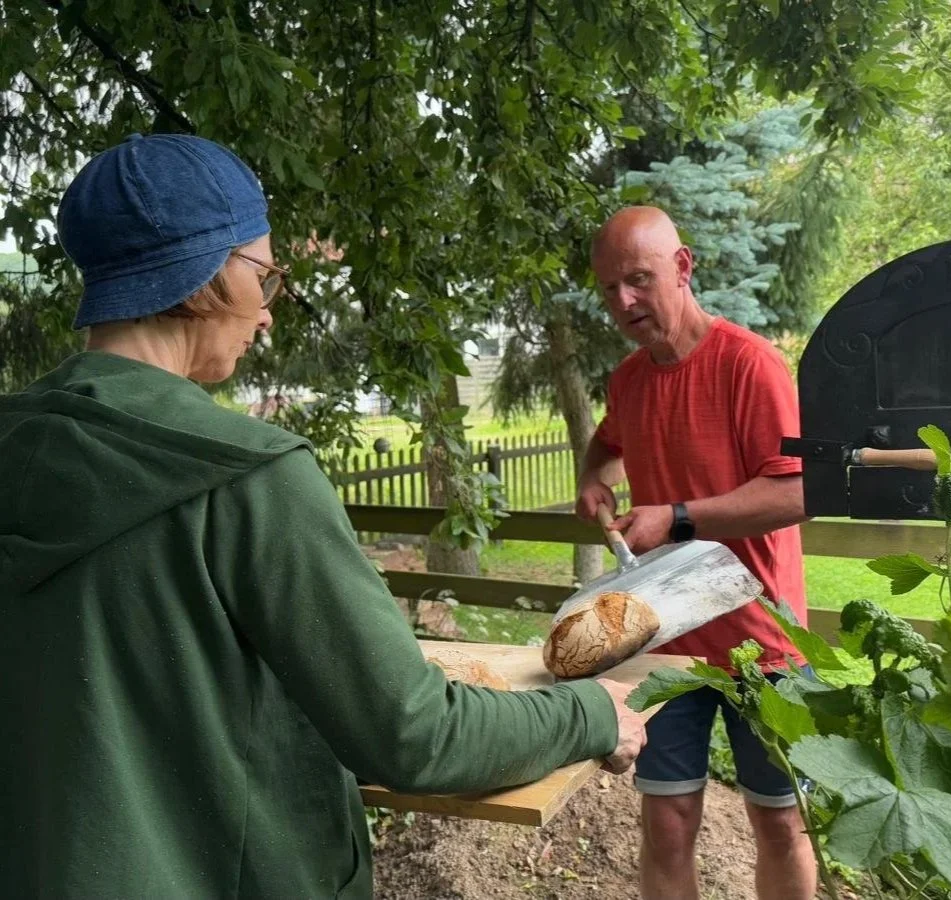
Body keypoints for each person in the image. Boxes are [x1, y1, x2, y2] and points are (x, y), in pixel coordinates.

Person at [0, 133, 646, 899]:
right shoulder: (246, 477)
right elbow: (411, 734)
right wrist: (587, 714)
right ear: (206, 277)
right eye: (264, 277)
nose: (268, 315)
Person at [575, 206, 817, 900]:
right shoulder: (629, 379)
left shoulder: (750, 365)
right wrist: (593, 477)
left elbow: (796, 493)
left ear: (682, 269)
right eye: (608, 289)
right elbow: (607, 442)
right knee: (668, 824)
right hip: (666, 644)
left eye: (639, 280)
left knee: (780, 827)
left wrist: (677, 518)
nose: (623, 302)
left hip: (763, 646)